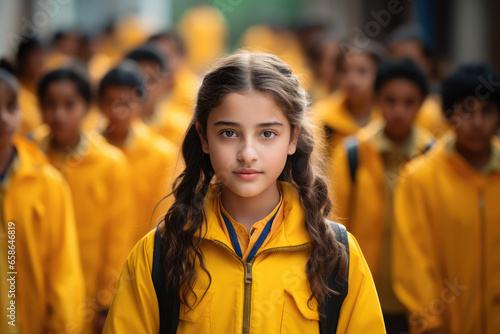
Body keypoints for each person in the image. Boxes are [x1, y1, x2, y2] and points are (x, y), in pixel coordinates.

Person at [103, 51, 386, 333]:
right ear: (203, 137)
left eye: (267, 134)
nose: (247, 154)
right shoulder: (159, 253)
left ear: (293, 138)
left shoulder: (337, 254)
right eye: (229, 133)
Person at [393, 63, 500, 333]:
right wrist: (429, 323)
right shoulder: (420, 177)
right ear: (449, 114)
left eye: (487, 111)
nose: (477, 122)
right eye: (467, 110)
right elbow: (413, 260)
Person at [330, 59, 434, 333]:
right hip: (364, 292)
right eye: (390, 100)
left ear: (422, 103)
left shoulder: (433, 155)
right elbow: (336, 223)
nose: (399, 110)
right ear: (376, 100)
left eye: (409, 102)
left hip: (423, 300)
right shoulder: (353, 153)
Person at [35, 67, 135, 333]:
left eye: (70, 105)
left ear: (87, 107)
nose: (59, 114)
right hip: (37, 290)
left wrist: (106, 301)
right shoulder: (31, 161)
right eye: (50, 104)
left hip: (89, 295)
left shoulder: (109, 163)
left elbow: (117, 238)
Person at [0, 66, 85, 333]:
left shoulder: (46, 181)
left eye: (11, 107)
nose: (3, 118)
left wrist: (62, 325)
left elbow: (63, 268)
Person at [98, 63, 177, 245]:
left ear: (140, 103)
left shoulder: (160, 154)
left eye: (126, 103)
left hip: (143, 258)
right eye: (111, 102)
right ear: (100, 105)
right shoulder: (88, 155)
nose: (118, 112)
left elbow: (163, 217)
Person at [313, 41, 385, 156]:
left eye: (362, 71)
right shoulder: (321, 117)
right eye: (345, 71)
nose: (352, 79)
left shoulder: (389, 115)